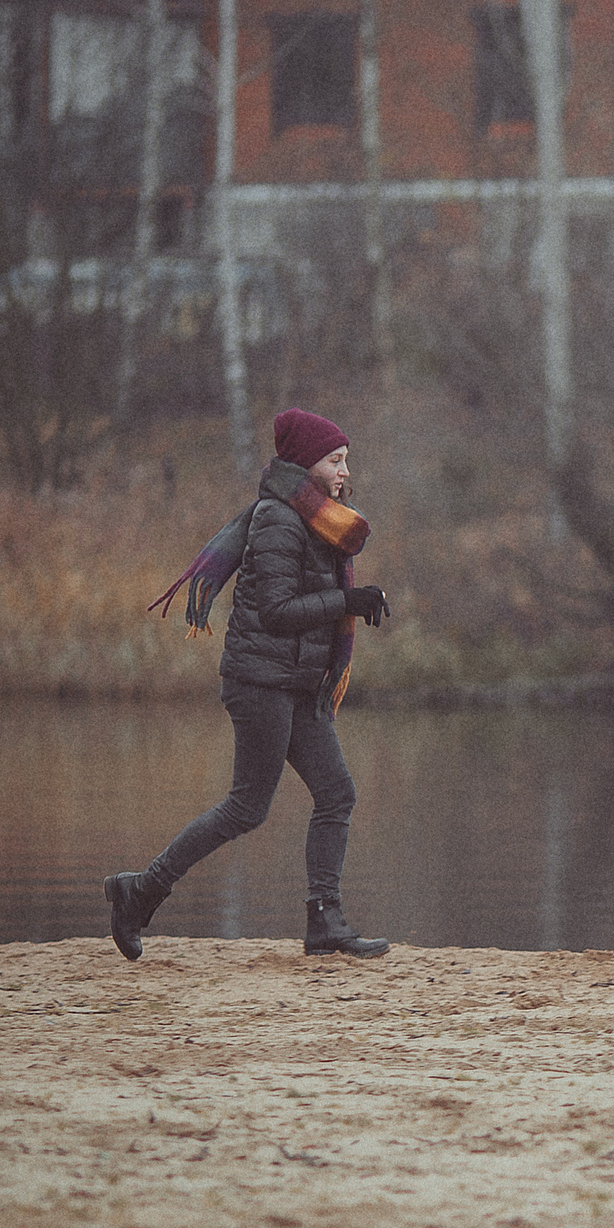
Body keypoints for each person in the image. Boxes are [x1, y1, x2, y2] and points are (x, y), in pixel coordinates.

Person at [102, 409, 394, 962]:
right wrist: (349, 602)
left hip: (297, 682)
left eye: (345, 460)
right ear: (306, 463)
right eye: (335, 460)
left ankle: (325, 922)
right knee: (246, 808)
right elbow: (279, 612)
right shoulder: (278, 521)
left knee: (336, 793)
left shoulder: (321, 521)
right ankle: (139, 892)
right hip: (260, 682)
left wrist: (349, 603)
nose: (344, 470)